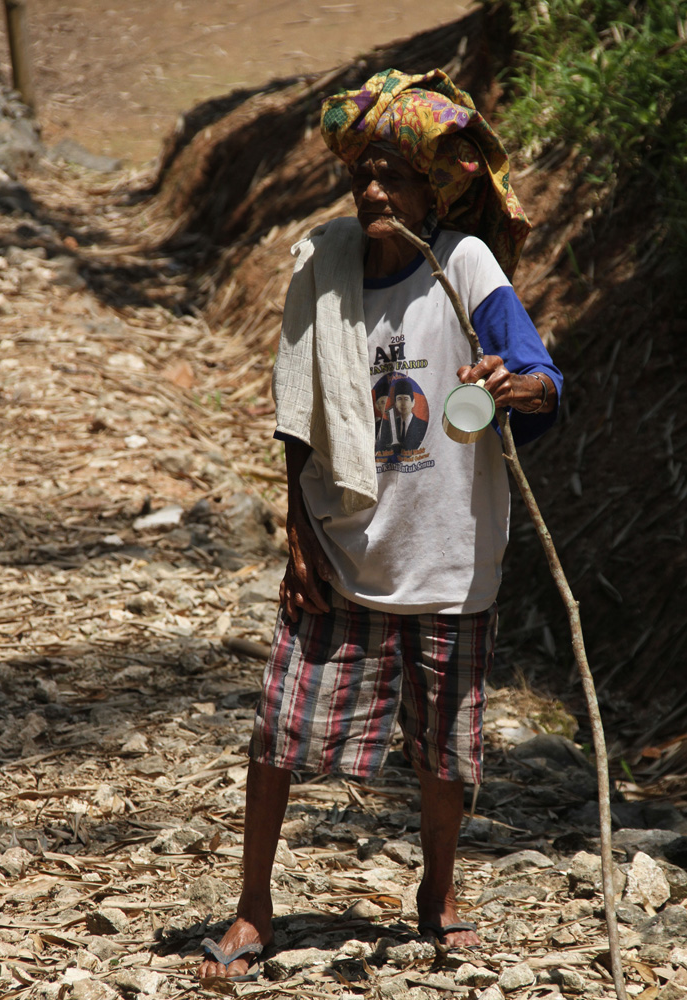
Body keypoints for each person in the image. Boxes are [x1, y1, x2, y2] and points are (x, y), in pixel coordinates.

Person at [198, 67, 563, 983]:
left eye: (394, 175)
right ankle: (252, 909)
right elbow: (297, 414)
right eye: (363, 174)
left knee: (445, 751)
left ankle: (438, 897)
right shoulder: (324, 276)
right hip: (344, 543)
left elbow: (540, 377)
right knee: (279, 733)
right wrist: (296, 531)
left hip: (447, 551)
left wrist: (520, 387)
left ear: (428, 191)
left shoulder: (465, 267)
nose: (372, 190)